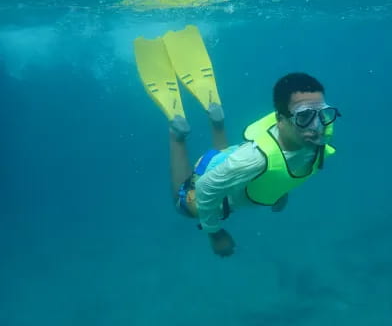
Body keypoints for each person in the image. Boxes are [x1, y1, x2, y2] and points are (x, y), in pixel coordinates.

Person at [134, 25, 340, 257]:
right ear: (280, 120)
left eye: (322, 113)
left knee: (231, 167)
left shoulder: (315, 134)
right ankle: (177, 134)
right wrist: (214, 232)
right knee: (182, 204)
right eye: (304, 117)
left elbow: (286, 162)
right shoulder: (252, 161)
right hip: (216, 178)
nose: (317, 125)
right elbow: (205, 188)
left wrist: (281, 190)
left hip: (232, 164)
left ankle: (216, 120)